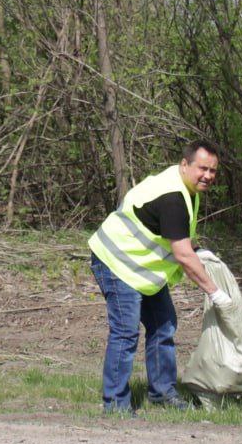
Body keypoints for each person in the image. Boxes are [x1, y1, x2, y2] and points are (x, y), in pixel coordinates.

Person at [88, 139, 232, 413]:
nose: (208, 176)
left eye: (213, 171)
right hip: (116, 262)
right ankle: (116, 404)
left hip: (143, 270)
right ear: (184, 165)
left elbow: (176, 236)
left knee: (163, 325)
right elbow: (182, 255)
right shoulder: (173, 197)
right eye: (203, 168)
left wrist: (198, 250)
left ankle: (163, 394)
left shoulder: (187, 189)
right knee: (126, 332)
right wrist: (214, 292)